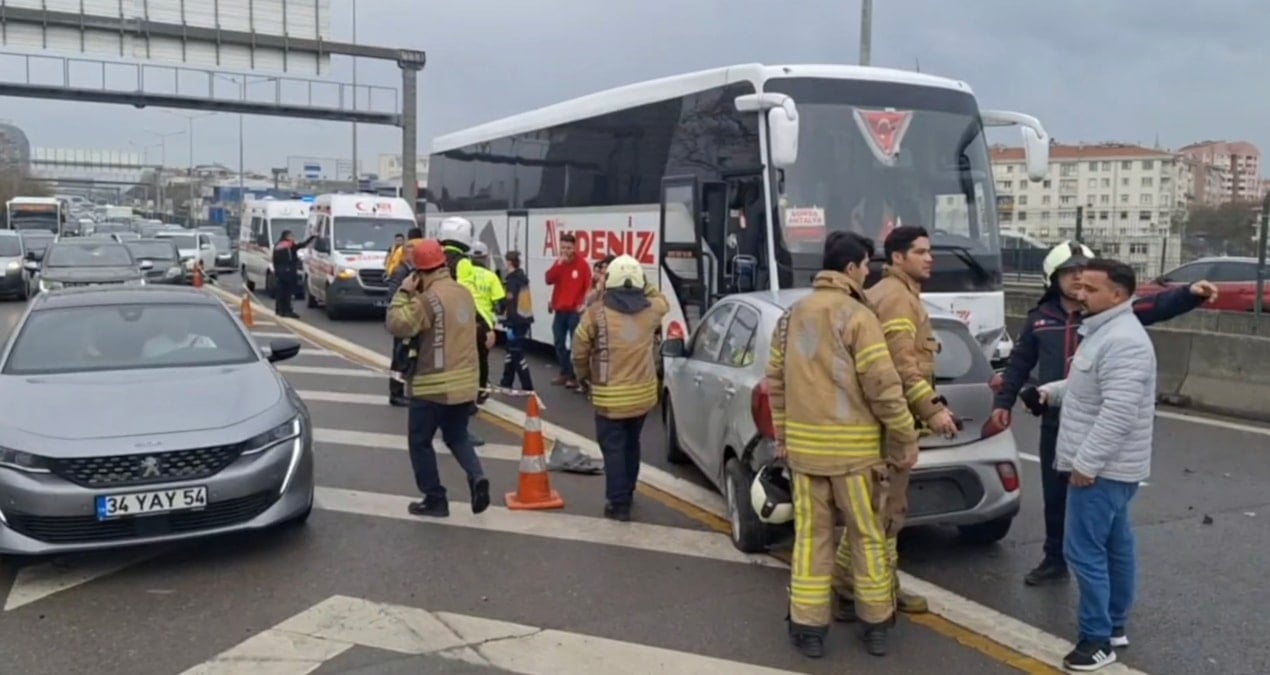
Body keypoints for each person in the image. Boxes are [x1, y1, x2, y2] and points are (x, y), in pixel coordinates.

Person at [992, 241, 1217, 587]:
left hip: (1097, 428)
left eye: (1083, 276)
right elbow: (1019, 364)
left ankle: (1103, 593)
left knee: (1103, 512)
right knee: (1055, 498)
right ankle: (1055, 559)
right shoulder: (1040, 320)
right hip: (1057, 421)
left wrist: (1190, 293)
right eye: (1070, 275)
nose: (1077, 283)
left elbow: (1156, 304)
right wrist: (1003, 404)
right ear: (1053, 279)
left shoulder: (1110, 317)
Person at [768, 230, 919, 659]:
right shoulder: (858, 316)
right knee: (867, 538)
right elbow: (884, 386)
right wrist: (905, 436)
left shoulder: (791, 315)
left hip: (804, 456)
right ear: (851, 268)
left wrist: (782, 436)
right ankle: (875, 625)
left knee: (811, 541)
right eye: (867, 266)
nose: (868, 273)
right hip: (855, 458)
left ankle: (808, 628)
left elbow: (775, 380)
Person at [1033, 259, 1156, 672]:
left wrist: (1086, 463)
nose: (1079, 294)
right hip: (1111, 468)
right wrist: (1049, 393)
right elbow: (1088, 387)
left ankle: (1096, 640)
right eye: (1079, 287)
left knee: (1083, 552)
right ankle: (1114, 626)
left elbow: (1118, 413)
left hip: (1102, 469)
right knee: (1116, 546)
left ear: (1117, 295)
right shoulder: (1104, 333)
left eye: (1089, 289)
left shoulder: (1123, 341)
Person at [837, 225, 956, 617]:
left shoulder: (897, 294)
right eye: (920, 252)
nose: (929, 257)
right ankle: (873, 590)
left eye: (929, 251)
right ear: (898, 258)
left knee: (875, 509)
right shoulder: (896, 299)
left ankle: (850, 584)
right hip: (889, 424)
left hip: (887, 420)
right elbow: (901, 365)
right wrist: (933, 409)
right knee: (886, 512)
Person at [385, 239, 491, 519]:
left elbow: (397, 324)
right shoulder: (464, 293)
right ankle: (476, 475)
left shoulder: (428, 300)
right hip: (465, 384)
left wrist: (403, 293)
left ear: (419, 272)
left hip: (433, 386)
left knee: (420, 442)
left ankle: (435, 498)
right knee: (456, 436)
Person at [571, 254, 667, 522]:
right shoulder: (651, 311)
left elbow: (578, 352)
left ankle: (618, 503)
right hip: (643, 395)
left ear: (609, 280)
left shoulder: (595, 314)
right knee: (631, 443)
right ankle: (629, 488)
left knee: (613, 447)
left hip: (609, 396)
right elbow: (664, 301)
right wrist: (644, 283)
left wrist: (583, 377)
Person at [545, 233, 591, 389]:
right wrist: (558, 264)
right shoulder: (559, 263)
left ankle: (574, 376)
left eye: (569, 248)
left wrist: (583, 304)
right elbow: (548, 279)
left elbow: (587, 287)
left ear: (574, 247)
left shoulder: (582, 265)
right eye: (563, 247)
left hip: (574, 311)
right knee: (558, 342)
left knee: (574, 344)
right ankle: (564, 372)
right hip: (560, 310)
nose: (566, 251)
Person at [385, 228, 425, 406]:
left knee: (407, 357)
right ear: (407, 254)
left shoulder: (411, 270)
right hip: (402, 318)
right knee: (400, 357)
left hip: (408, 317)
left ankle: (403, 390)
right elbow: (393, 293)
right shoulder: (401, 271)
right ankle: (396, 393)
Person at [469, 242, 505, 403]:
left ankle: (465, 391)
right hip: (484, 326)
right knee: (482, 359)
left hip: (463, 322)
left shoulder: (463, 275)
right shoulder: (491, 277)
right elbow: (500, 304)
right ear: (485, 257)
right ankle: (480, 391)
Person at [499, 250, 534, 391]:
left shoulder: (513, 280)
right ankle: (506, 381)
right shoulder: (521, 278)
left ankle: (527, 385)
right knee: (510, 351)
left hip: (516, 322)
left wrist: (507, 320)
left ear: (509, 262)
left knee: (516, 352)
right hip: (524, 320)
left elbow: (511, 302)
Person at [272, 229, 315, 317]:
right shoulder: (288, 245)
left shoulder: (277, 245)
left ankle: (279, 310)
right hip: (287, 272)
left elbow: (275, 260)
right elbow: (302, 245)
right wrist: (312, 238)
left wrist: (277, 271)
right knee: (288, 292)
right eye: (291, 236)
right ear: (287, 236)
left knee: (281, 292)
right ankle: (287, 310)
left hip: (280, 272)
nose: (293, 237)